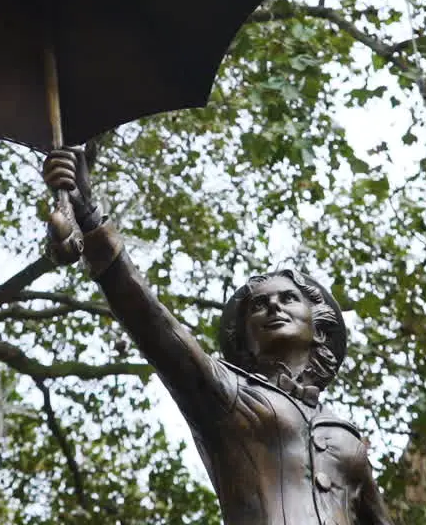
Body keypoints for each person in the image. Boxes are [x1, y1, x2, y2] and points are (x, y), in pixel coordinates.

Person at [44, 147, 394, 525]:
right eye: (260, 305)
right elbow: (151, 321)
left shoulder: (347, 436)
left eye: (288, 299)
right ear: (244, 337)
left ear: (319, 328)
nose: (273, 307)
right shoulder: (228, 392)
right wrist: (88, 215)